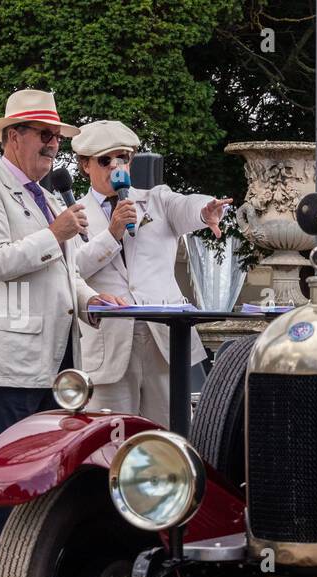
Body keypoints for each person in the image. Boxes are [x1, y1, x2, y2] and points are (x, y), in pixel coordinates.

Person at [0, 90, 126, 577]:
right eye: (44, 134)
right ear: (12, 137)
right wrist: (54, 235)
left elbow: (66, 274)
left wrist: (93, 301)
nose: (54, 144)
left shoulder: (46, 197)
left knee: (47, 476)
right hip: (8, 361)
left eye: (57, 136)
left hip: (53, 363)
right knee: (5, 475)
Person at [70, 120, 231, 424]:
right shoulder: (74, 213)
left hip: (163, 338)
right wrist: (112, 233)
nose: (116, 167)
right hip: (109, 343)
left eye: (123, 158)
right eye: (105, 160)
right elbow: (71, 269)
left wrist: (205, 210)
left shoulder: (155, 199)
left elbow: (185, 206)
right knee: (110, 436)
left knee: (170, 434)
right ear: (84, 165)